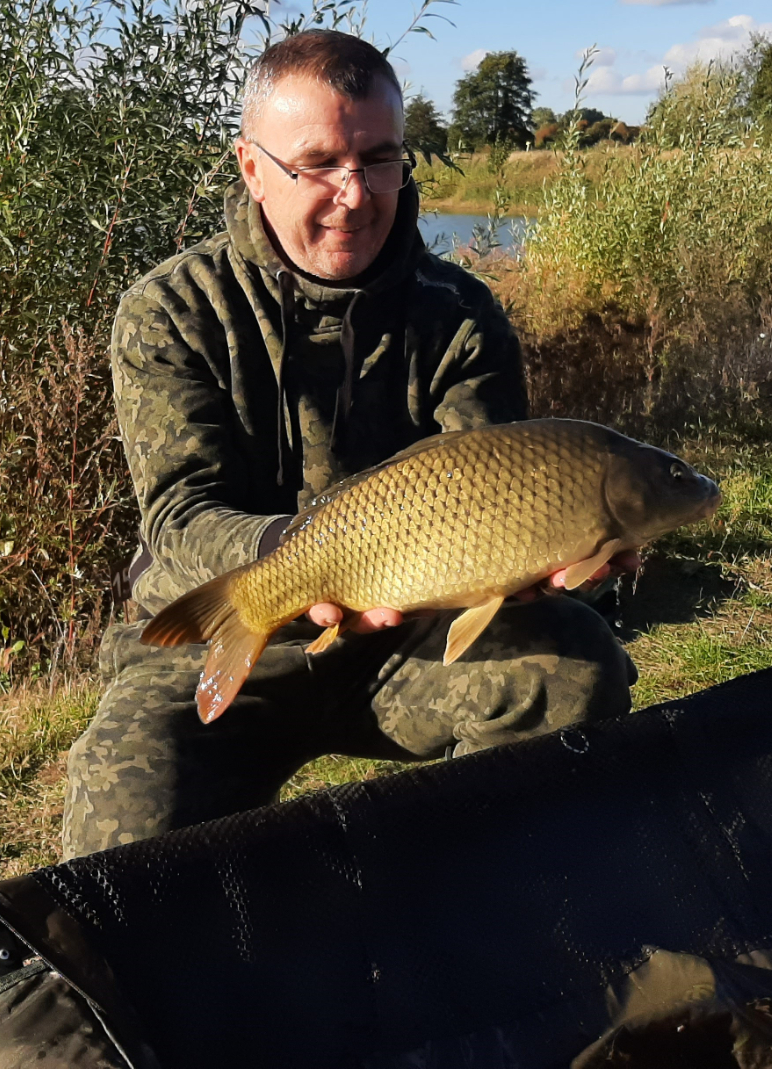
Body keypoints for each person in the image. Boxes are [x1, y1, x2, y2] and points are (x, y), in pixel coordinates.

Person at [63, 30, 638, 860]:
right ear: (253, 167)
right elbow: (180, 516)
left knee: (575, 665)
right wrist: (298, 562)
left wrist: (558, 557)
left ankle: (484, 895)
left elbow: (496, 504)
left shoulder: (460, 314)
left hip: (409, 635)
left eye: (379, 159)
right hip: (229, 631)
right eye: (319, 163)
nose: (356, 194)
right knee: (125, 822)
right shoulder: (173, 310)